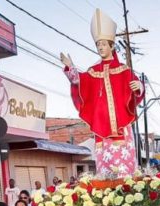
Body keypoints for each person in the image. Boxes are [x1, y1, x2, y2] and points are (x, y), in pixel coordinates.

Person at [60, 9, 143, 176]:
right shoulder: (93, 71)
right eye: (98, 45)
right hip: (101, 126)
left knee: (124, 169)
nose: (100, 47)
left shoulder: (123, 69)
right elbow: (79, 81)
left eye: (104, 44)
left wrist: (139, 87)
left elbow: (136, 92)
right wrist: (70, 68)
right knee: (105, 169)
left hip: (122, 126)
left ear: (112, 46)